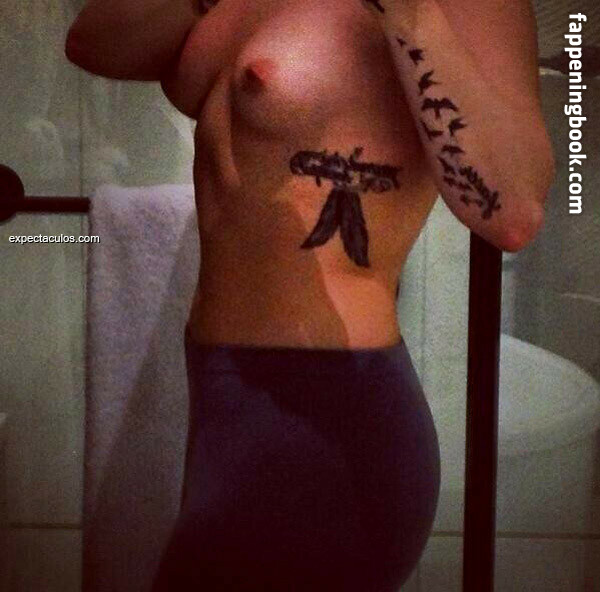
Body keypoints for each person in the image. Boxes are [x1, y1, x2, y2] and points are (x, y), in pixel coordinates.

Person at [65, 0, 555, 589]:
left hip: (330, 428)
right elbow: (92, 44)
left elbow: (513, 213)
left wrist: (410, 11)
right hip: (223, 410)